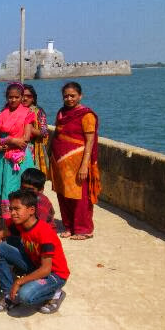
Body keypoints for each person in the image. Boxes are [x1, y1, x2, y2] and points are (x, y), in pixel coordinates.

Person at [0, 190, 69, 314]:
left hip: (55, 274)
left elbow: (46, 269)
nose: (12, 213)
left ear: (31, 210)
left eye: (17, 209)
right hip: (36, 265)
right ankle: (9, 294)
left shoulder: (44, 232)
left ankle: (56, 293)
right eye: (11, 209)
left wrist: (19, 282)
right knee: (1, 248)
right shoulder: (21, 224)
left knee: (25, 296)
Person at [50, 81, 100, 240]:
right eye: (66, 96)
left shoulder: (86, 115)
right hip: (60, 162)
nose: (69, 99)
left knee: (79, 196)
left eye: (73, 95)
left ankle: (83, 229)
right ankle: (69, 226)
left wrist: (85, 165)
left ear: (80, 96)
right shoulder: (61, 113)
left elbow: (90, 142)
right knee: (63, 195)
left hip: (77, 162)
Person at [0, 83, 36, 220]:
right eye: (10, 97)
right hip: (4, 156)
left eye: (17, 97)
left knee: (20, 186)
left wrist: (9, 140)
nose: (13, 100)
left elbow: (25, 139)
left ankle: (23, 217)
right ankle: (7, 219)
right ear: (7, 97)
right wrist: (8, 142)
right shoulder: (2, 114)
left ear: (22, 97)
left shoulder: (27, 113)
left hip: (19, 157)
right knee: (4, 187)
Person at [22, 84, 50, 179]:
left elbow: (44, 132)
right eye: (23, 95)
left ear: (33, 98)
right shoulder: (15, 110)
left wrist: (28, 127)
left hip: (32, 148)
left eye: (28, 96)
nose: (25, 98)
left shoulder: (38, 112)